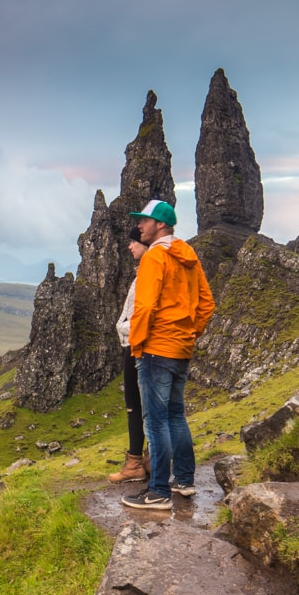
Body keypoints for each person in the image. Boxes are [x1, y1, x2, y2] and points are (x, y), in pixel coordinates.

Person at [121, 199, 215, 510]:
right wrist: (190, 333)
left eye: (144, 220)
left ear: (160, 224)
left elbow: (145, 306)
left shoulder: (154, 256)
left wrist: (137, 343)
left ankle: (158, 491)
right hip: (180, 348)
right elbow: (206, 303)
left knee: (155, 420)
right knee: (175, 414)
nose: (139, 225)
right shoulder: (188, 255)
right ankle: (184, 481)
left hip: (156, 348)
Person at [109, 226, 150, 483]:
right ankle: (147, 458)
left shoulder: (147, 276)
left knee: (135, 405)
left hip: (136, 346)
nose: (130, 246)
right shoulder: (143, 273)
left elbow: (142, 317)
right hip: (136, 345)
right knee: (141, 405)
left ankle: (136, 462)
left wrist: (121, 327)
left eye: (134, 241)